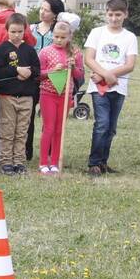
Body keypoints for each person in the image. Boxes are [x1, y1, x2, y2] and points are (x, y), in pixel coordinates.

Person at [84, 0, 137, 176]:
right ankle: (94, 163)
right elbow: (89, 58)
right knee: (102, 124)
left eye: (118, 15)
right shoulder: (97, 32)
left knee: (111, 127)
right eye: (111, 14)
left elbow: (129, 64)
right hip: (99, 86)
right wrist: (104, 75)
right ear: (106, 14)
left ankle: (103, 162)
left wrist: (110, 74)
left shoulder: (130, 37)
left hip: (119, 87)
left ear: (125, 15)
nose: (114, 18)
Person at [0, 13, 40, 175]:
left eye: (19, 31)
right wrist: (16, 70)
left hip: (26, 98)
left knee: (21, 131)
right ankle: (6, 161)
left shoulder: (29, 50)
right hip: (7, 97)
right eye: (13, 31)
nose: (16, 35)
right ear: (7, 31)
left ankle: (19, 161)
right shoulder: (2, 49)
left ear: (24, 31)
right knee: (7, 130)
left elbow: (37, 70)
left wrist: (29, 72)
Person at [37, 19, 83, 174]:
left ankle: (55, 162)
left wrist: (73, 66)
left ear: (69, 37)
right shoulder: (45, 52)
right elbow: (39, 75)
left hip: (65, 95)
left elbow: (79, 75)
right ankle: (44, 162)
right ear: (52, 35)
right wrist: (52, 71)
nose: (59, 40)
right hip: (47, 94)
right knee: (49, 128)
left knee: (59, 129)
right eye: (56, 36)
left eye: (63, 37)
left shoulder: (75, 53)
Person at [26, 0, 66, 161]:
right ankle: (26, 152)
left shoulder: (60, 32)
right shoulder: (31, 28)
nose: (42, 12)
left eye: (47, 10)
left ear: (56, 14)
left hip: (52, 81)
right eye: (41, 8)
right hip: (32, 79)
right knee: (28, 117)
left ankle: (49, 151)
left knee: (50, 120)